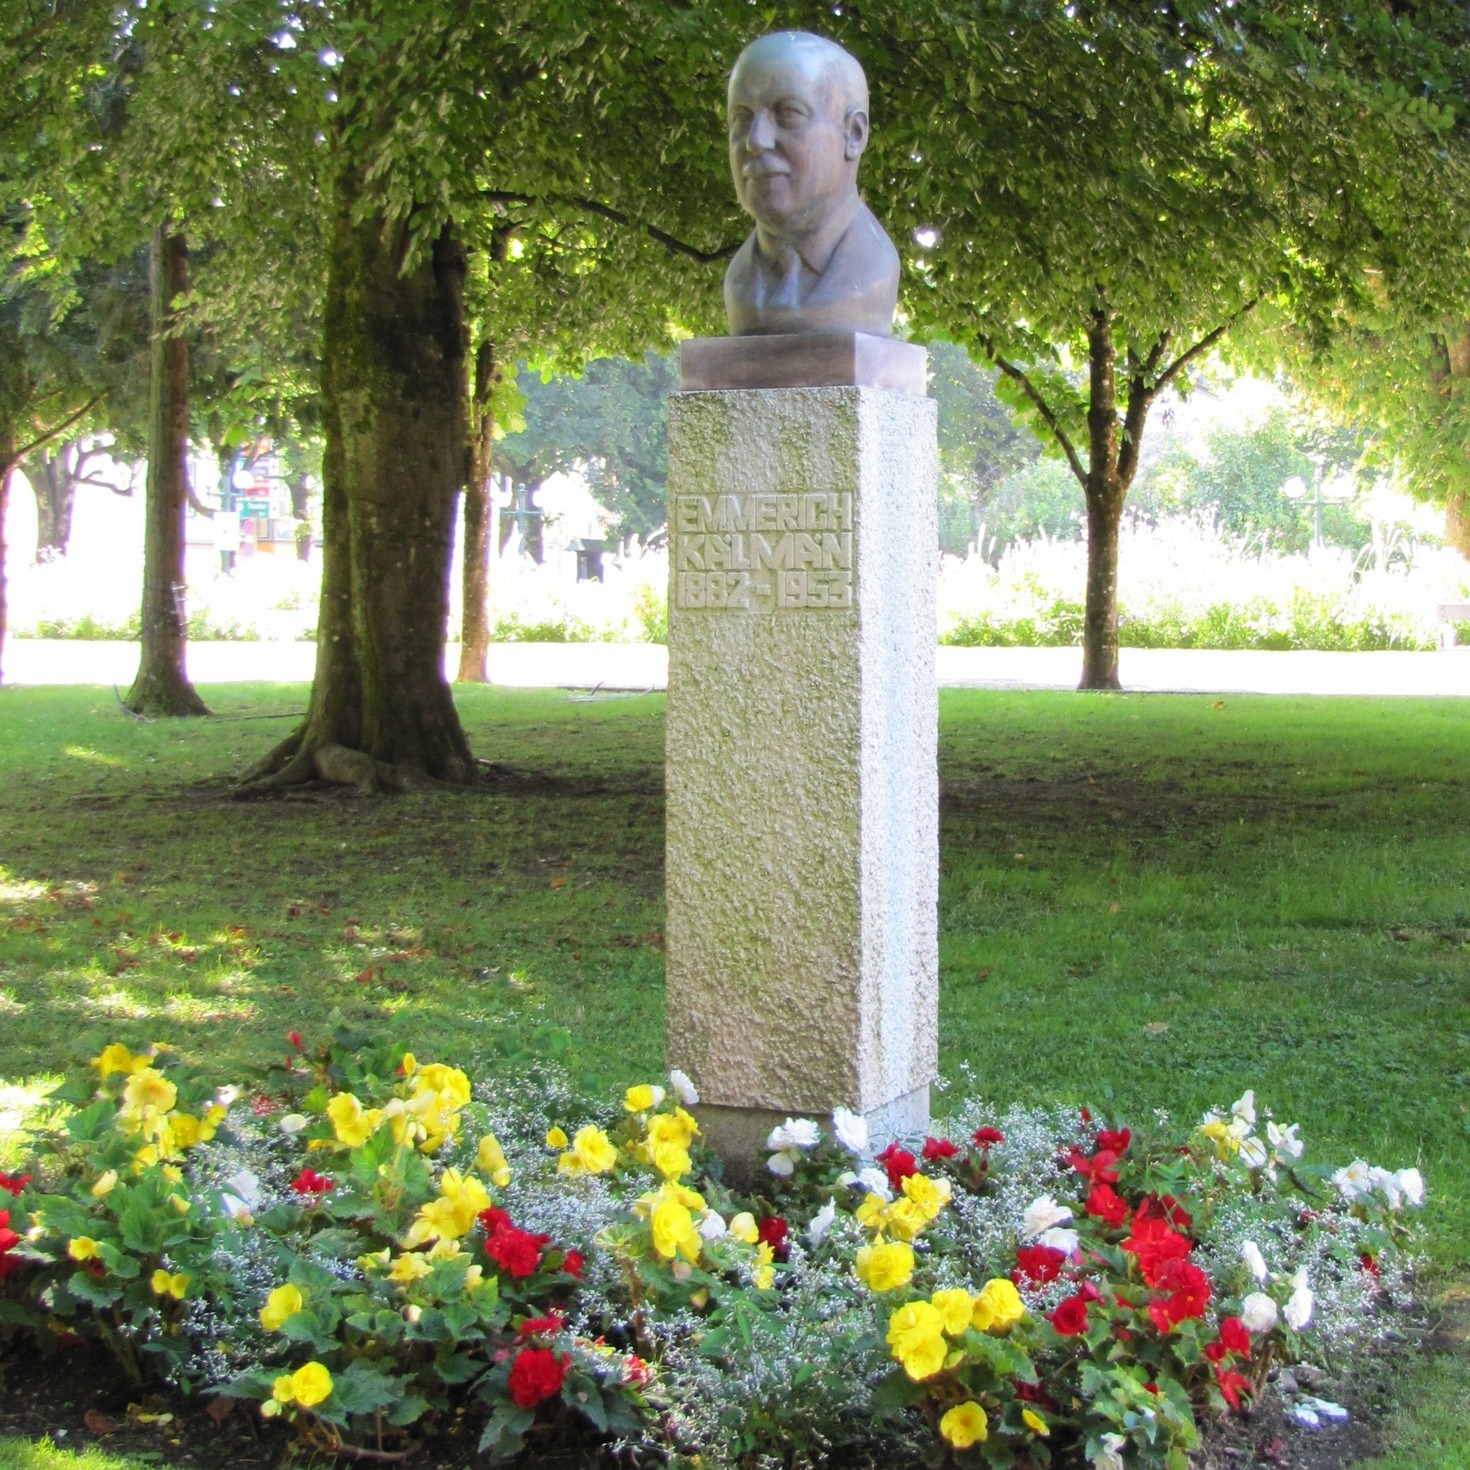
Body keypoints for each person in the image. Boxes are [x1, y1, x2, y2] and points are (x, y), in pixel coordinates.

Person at [724, 31, 899, 337]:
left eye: (788, 114)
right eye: (741, 119)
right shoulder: (739, 283)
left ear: (853, 135)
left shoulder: (871, 274)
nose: (755, 140)